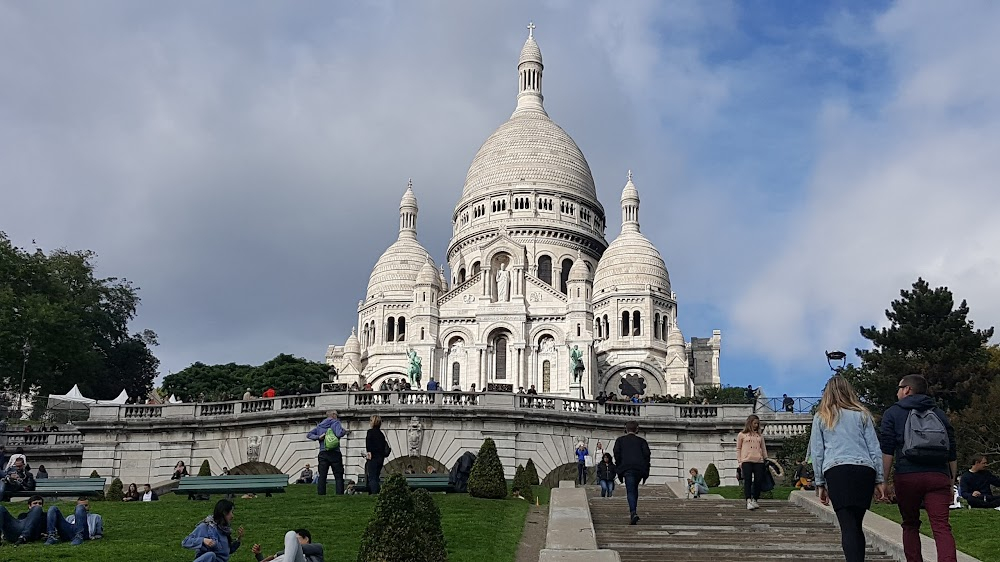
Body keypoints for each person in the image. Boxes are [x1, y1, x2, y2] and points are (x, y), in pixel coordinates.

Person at [880, 374, 957, 562]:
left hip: (908, 475)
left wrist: (883, 480)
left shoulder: (893, 413)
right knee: (941, 526)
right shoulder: (939, 413)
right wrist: (951, 480)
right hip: (938, 475)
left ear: (907, 389)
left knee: (910, 524)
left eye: (899, 388)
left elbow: (887, 450)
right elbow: (952, 450)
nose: (897, 392)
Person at [809, 375, 886, 562]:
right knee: (856, 524)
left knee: (848, 525)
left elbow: (817, 452)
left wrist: (819, 483)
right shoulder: (863, 414)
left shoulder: (822, 417)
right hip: (864, 470)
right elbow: (874, 448)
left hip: (837, 470)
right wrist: (880, 479)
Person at [614, 420, 651, 525]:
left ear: (626, 429)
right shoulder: (642, 441)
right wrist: (646, 471)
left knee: (630, 490)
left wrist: (619, 468)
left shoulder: (620, 440)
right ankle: (633, 510)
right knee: (634, 488)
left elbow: (617, 455)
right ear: (637, 429)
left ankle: (633, 512)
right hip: (639, 469)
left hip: (627, 469)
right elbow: (647, 456)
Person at [306, 410, 349, 496]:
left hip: (323, 453)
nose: (337, 416)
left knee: (322, 475)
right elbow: (339, 434)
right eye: (336, 415)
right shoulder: (336, 423)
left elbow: (309, 435)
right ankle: (339, 494)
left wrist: (319, 437)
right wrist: (345, 431)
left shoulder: (320, 425)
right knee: (338, 475)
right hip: (335, 452)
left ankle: (321, 494)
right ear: (333, 415)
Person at [737, 414, 767, 511]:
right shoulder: (741, 435)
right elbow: (738, 448)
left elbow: (763, 447)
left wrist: (766, 459)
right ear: (750, 423)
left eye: (757, 424)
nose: (756, 425)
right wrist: (740, 461)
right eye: (754, 423)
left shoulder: (760, 435)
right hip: (746, 460)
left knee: (758, 480)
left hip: (758, 460)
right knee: (748, 481)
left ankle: (755, 498)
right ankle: (748, 500)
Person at [253, 529, 324, 562]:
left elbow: (300, 549)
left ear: (306, 539)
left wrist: (276, 555)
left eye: (296, 539)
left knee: (290, 534)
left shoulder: (317, 548)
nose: (292, 543)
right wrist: (259, 555)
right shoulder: (286, 555)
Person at [365, 415, 389, 494]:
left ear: (373, 422)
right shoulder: (381, 434)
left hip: (373, 457)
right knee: (376, 476)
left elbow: (368, 445)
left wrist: (368, 453)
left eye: (371, 420)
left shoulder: (370, 432)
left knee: (372, 477)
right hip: (380, 458)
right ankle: (376, 492)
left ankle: (374, 493)